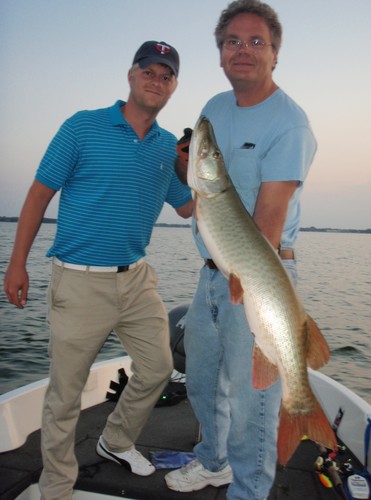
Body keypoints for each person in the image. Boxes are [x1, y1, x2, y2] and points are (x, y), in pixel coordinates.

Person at [3, 40, 193, 500]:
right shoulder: (82, 127)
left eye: (165, 75)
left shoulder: (167, 146)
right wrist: (17, 263)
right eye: (148, 70)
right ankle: (57, 487)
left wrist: (191, 167)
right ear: (130, 76)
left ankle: (116, 441)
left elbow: (188, 209)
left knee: (158, 367)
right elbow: (38, 194)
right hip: (79, 280)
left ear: (173, 88)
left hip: (136, 280)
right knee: (65, 396)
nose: (156, 79)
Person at [166, 1, 317, 499]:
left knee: (254, 399)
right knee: (204, 383)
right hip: (213, 273)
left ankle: (249, 490)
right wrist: (187, 168)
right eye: (233, 41)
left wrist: (245, 292)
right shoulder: (213, 107)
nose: (244, 50)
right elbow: (201, 201)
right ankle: (212, 462)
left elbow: (265, 232)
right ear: (220, 53)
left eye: (257, 42)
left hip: (258, 274)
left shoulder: (290, 124)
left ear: (276, 54)